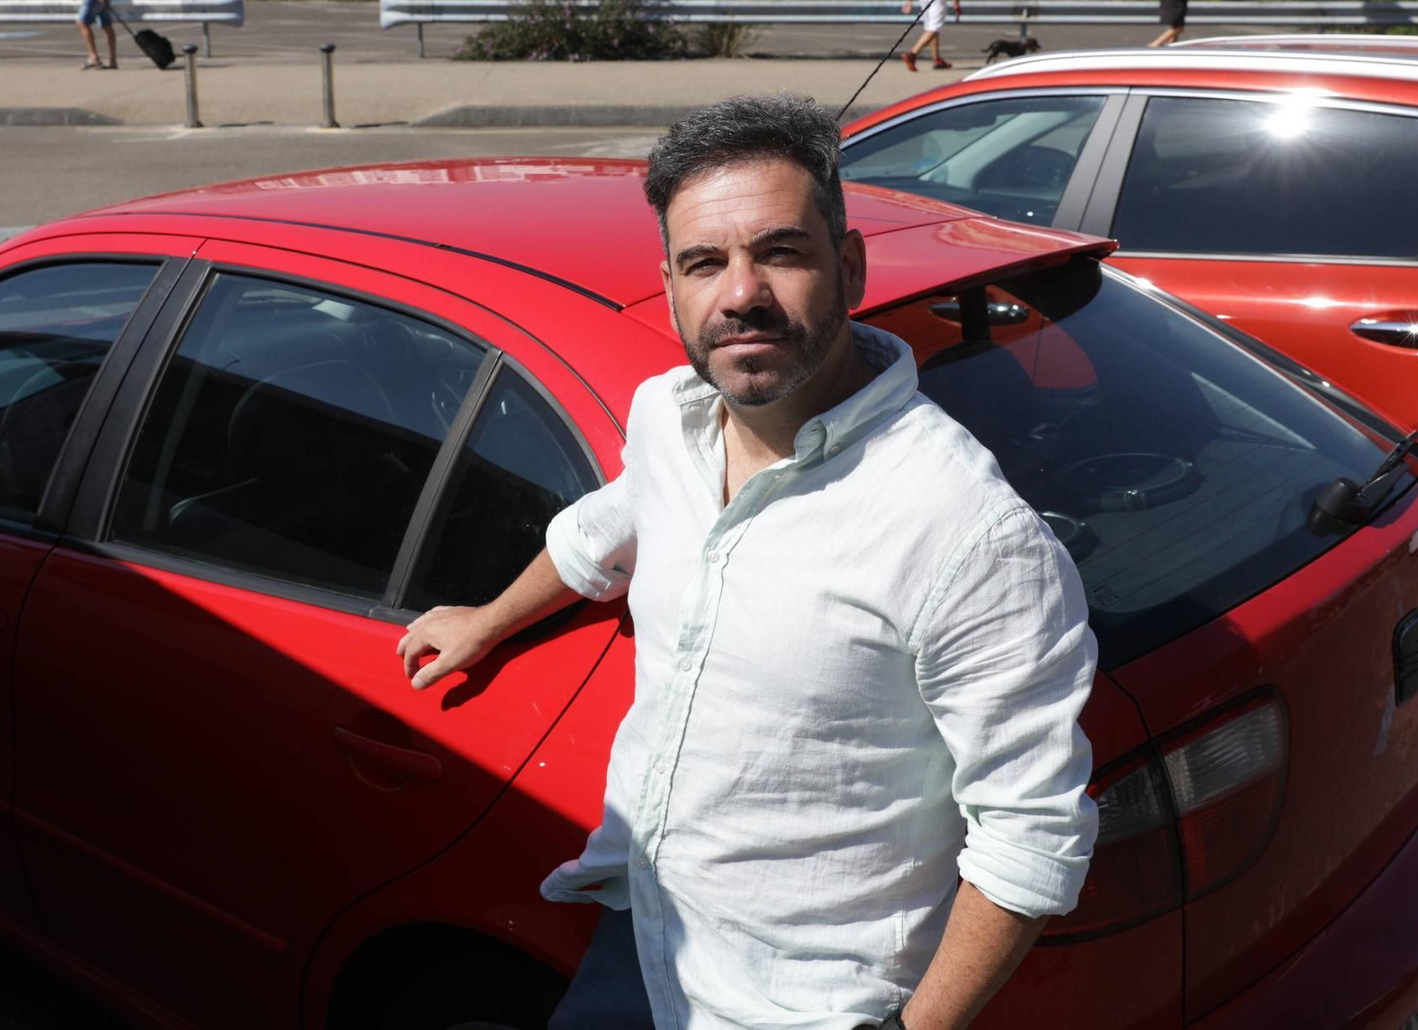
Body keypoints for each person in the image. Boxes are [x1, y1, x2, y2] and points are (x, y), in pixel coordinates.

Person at [396, 94, 1099, 1030]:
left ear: (847, 265)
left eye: (780, 251)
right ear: (672, 282)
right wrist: (486, 620)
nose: (740, 294)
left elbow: (1031, 839)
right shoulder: (669, 419)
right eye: (704, 263)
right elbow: (615, 518)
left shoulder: (964, 530)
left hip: (799, 1001)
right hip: (640, 934)